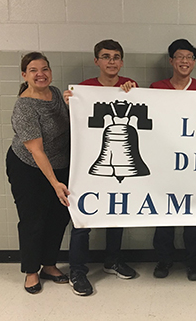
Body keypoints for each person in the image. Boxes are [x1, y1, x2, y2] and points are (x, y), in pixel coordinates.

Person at [65, 39, 138, 296]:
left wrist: (135, 93)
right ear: (96, 61)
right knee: (82, 220)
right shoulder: (83, 90)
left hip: (120, 164)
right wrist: (72, 103)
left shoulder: (131, 88)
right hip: (88, 165)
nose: (111, 61)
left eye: (116, 57)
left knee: (117, 212)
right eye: (106, 56)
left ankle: (112, 260)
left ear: (121, 61)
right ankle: (77, 269)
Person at [149, 39, 196, 281]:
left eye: (189, 57)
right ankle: (164, 259)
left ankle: (193, 261)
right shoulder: (156, 87)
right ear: (171, 61)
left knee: (192, 216)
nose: (184, 61)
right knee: (164, 213)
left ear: (194, 62)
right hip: (165, 163)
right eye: (179, 57)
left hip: (193, 164)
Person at [6, 52, 71, 294]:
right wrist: (54, 183)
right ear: (25, 75)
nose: (40, 74)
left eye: (44, 69)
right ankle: (31, 271)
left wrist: (72, 103)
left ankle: (49, 264)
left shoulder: (55, 93)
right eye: (33, 70)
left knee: (58, 217)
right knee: (33, 219)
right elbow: (36, 150)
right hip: (29, 167)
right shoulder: (24, 106)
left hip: (59, 163)